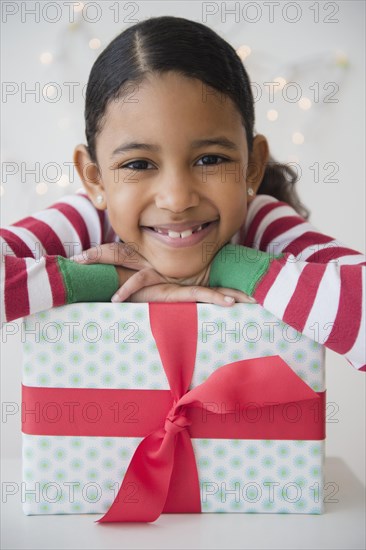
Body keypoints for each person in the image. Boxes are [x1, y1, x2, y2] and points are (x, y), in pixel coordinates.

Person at [1, 15, 365, 372]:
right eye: (139, 164)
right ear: (95, 179)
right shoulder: (85, 223)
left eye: (209, 159)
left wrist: (227, 265)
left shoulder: (262, 223)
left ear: (252, 166)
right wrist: (109, 278)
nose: (176, 199)